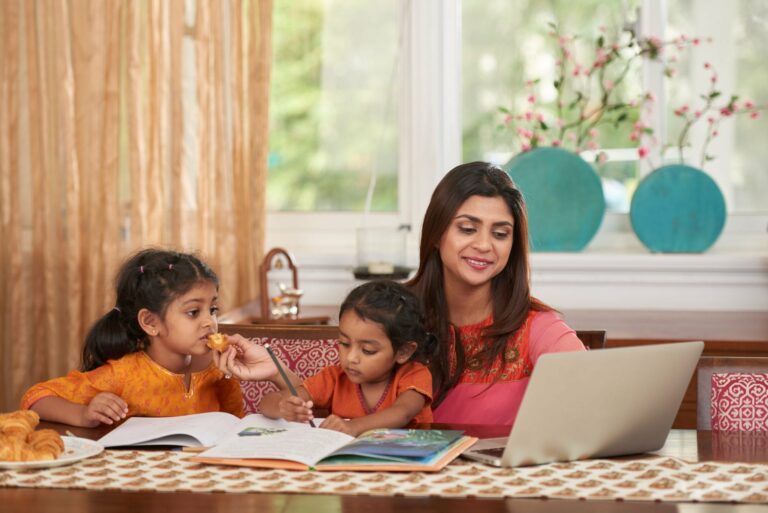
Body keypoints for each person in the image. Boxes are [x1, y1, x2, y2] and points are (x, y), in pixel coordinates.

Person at [407, 161, 586, 426]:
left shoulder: (538, 327)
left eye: (500, 234)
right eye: (467, 229)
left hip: (506, 468)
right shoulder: (392, 315)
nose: (483, 245)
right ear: (436, 233)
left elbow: (591, 400)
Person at [20, 249, 277, 427]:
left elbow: (235, 420)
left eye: (212, 310)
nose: (210, 321)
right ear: (150, 323)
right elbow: (36, 397)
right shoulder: (123, 374)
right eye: (193, 312)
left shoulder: (218, 369)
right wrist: (84, 414)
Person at [216, 280, 435, 436]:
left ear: (403, 352)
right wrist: (283, 406)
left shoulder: (414, 375)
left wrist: (352, 427)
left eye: (367, 350)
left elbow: (402, 413)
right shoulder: (335, 378)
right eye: (344, 343)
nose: (351, 358)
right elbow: (269, 403)